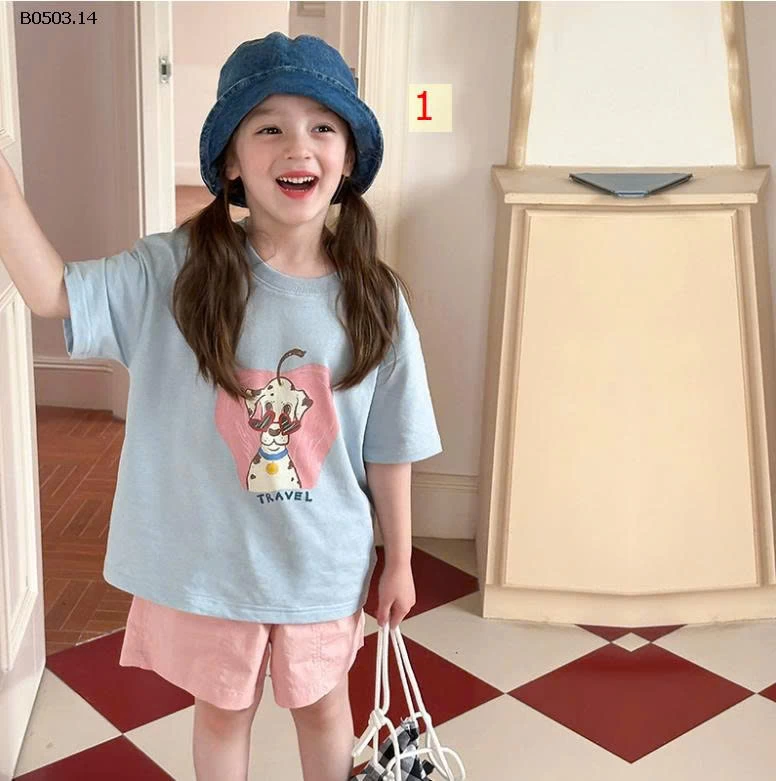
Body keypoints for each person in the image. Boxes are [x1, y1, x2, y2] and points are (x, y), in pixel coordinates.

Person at [0, 32, 443, 781]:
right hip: (214, 567)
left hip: (322, 566)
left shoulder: (376, 298)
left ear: (348, 159)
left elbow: (390, 446)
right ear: (231, 161)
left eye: (322, 126)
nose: (298, 146)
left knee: (324, 709)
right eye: (268, 127)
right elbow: (51, 293)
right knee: (222, 716)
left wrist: (398, 560)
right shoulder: (174, 271)